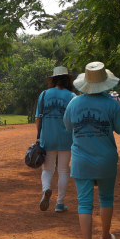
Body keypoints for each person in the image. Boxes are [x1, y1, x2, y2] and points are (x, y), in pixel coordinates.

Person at [63, 62, 120, 239]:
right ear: (104, 83)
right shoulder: (112, 104)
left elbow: (68, 127)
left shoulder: (74, 103)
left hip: (81, 161)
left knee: (84, 203)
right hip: (106, 161)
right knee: (106, 198)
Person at [35, 66, 76, 212]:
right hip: (66, 138)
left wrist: (40, 136)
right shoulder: (72, 97)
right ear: (67, 81)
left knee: (47, 169)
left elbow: (38, 119)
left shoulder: (44, 94)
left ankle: (46, 189)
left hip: (48, 137)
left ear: (53, 80)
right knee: (63, 170)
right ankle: (60, 203)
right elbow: (74, 120)